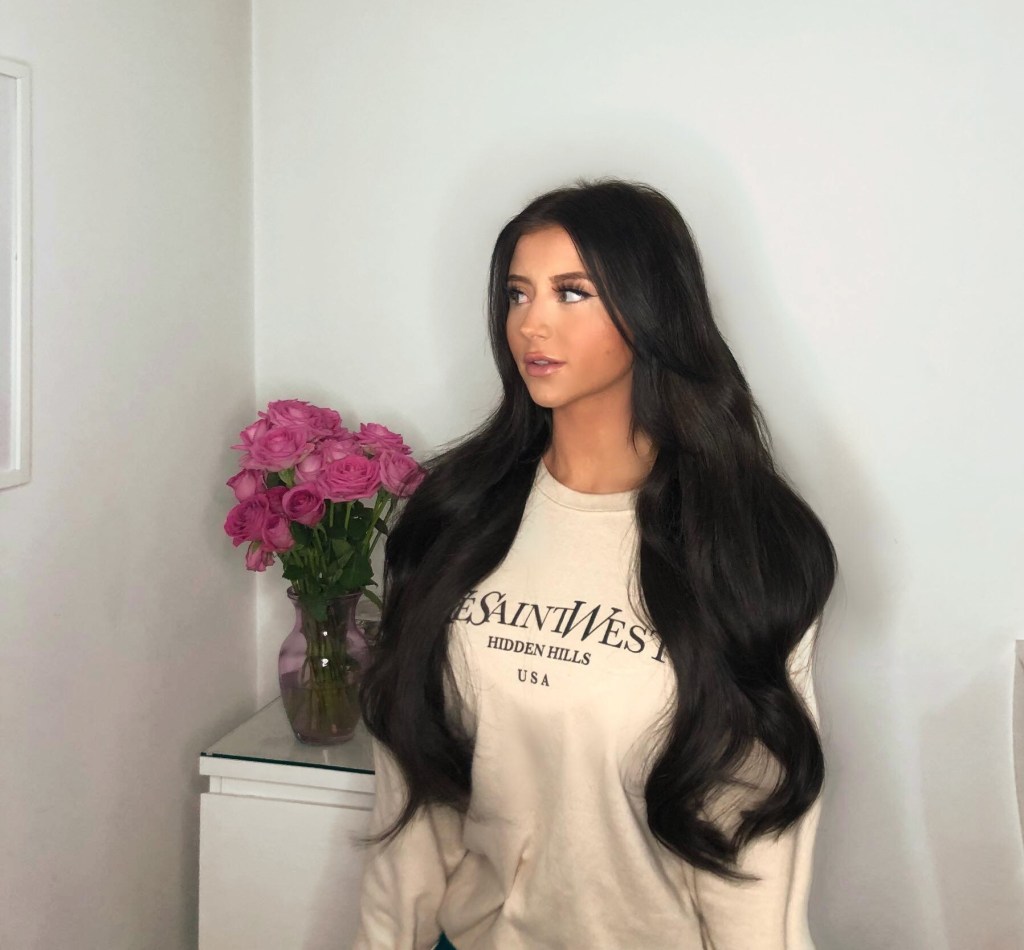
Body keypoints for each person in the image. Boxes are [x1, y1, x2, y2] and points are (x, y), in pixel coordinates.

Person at [352, 177, 837, 949]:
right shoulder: (454, 517)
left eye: (571, 293)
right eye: (517, 294)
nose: (531, 324)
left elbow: (755, 844)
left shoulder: (746, 547)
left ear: (650, 311)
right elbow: (411, 799)